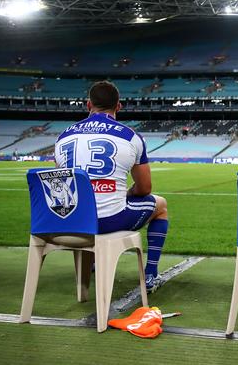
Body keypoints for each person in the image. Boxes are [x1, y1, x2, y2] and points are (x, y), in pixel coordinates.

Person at [54, 81, 168, 293]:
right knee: (160, 206)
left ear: (88, 105)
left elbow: (61, 185)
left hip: (69, 221)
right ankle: (151, 273)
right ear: (119, 106)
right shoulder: (130, 136)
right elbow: (144, 189)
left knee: (86, 207)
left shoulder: (63, 137)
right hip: (109, 221)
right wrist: (127, 193)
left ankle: (91, 262)